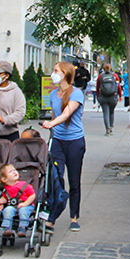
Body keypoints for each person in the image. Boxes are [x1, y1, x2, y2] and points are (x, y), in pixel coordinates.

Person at [41, 60, 85, 232]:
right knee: (56, 178)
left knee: (74, 180)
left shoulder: (76, 93)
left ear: (66, 74)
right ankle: (52, 217)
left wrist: (52, 124)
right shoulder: (53, 94)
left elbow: (67, 114)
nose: (53, 73)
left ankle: (74, 217)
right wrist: (52, 127)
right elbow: (55, 114)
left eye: (56, 70)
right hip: (58, 141)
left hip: (75, 142)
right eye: (53, 70)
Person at [0, 163, 36, 237]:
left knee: (23, 211)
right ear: (4, 179)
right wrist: (0, 201)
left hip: (26, 205)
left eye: (14, 170)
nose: (14, 172)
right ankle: (7, 228)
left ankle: (22, 228)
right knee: (7, 210)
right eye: (10, 172)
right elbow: (5, 198)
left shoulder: (25, 185)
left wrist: (25, 204)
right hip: (13, 206)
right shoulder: (6, 189)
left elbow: (32, 195)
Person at [96, 63, 119, 136]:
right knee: (111, 112)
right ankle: (111, 127)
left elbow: (97, 87)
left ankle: (107, 129)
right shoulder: (114, 76)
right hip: (112, 97)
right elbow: (118, 87)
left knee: (105, 113)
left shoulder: (100, 76)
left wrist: (98, 96)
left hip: (103, 97)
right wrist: (119, 95)